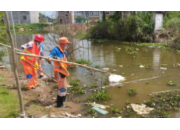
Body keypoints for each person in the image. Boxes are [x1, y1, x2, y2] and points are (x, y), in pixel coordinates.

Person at [46, 37, 74, 108]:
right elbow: (50, 56)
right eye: (66, 43)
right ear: (63, 43)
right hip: (58, 72)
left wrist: (70, 64)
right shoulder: (56, 50)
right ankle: (59, 104)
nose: (66, 45)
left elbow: (65, 62)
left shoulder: (64, 51)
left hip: (63, 72)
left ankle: (63, 100)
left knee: (64, 87)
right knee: (62, 88)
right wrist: (49, 58)